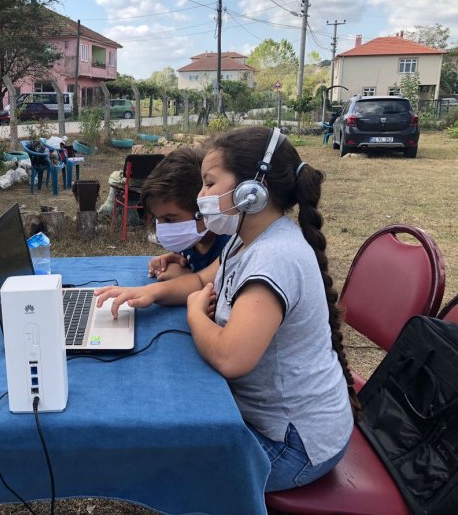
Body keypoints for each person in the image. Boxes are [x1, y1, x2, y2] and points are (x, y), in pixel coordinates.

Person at [95, 126, 357, 492]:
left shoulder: (273, 259)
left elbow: (230, 357)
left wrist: (193, 313)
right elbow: (204, 281)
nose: (201, 196)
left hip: (294, 448)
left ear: (253, 190)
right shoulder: (246, 238)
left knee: (161, 462)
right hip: (280, 426)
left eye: (209, 183)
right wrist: (149, 294)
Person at [140, 148, 230, 280]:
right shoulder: (189, 241)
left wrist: (187, 279)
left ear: (203, 211)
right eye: (157, 219)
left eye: (169, 219)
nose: (163, 228)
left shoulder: (232, 247)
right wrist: (170, 260)